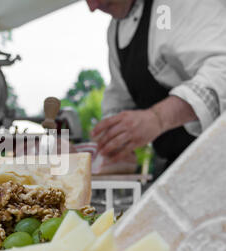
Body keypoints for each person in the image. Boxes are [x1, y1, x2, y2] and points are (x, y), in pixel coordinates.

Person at [88, 0, 226, 169]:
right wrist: (111, 140)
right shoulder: (115, 31)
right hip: (181, 166)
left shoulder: (179, 4)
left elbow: (221, 70)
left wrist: (158, 118)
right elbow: (119, 99)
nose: (92, 7)